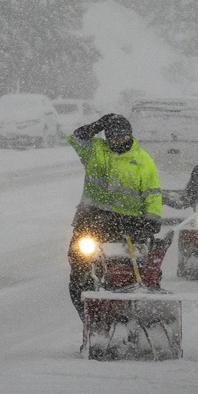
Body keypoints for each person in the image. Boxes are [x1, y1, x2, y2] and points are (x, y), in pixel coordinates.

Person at [65, 113, 162, 316]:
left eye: (121, 136)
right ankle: (90, 315)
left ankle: (131, 311)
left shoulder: (143, 162)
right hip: (90, 222)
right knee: (80, 269)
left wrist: (151, 220)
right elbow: (76, 138)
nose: (117, 141)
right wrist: (97, 124)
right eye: (112, 136)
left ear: (129, 135)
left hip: (127, 227)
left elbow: (152, 195)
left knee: (131, 271)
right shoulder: (95, 150)